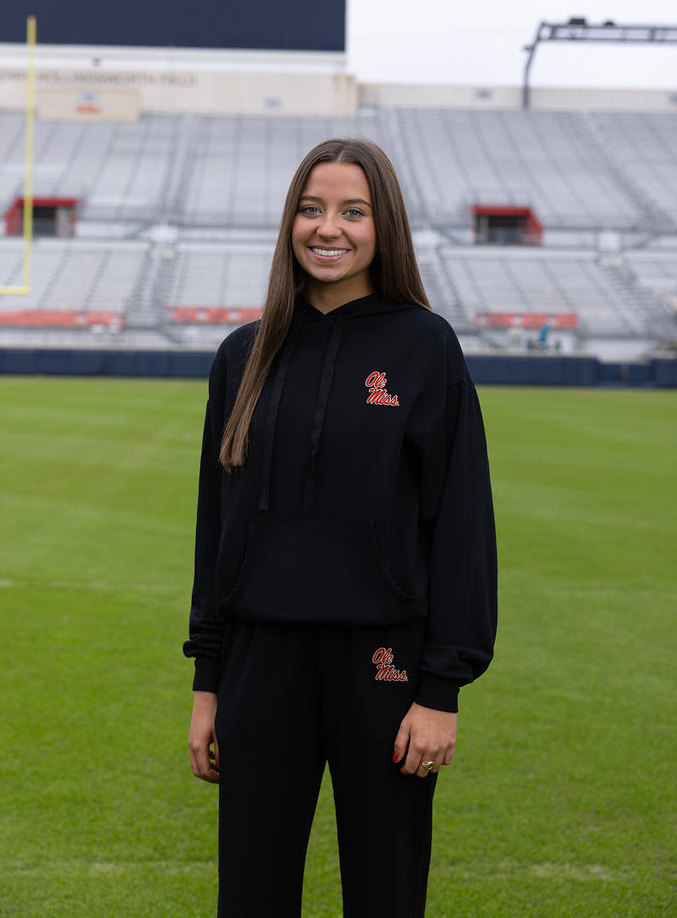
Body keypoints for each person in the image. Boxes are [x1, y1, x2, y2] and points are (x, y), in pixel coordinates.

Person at [183, 137, 497, 918]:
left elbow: (462, 526)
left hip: (385, 664)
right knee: (251, 894)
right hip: (261, 663)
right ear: (289, 222)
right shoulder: (243, 355)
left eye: (353, 211)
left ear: (383, 226)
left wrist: (441, 690)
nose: (329, 228)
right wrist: (208, 683)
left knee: (385, 893)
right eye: (311, 209)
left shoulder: (426, 346)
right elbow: (216, 528)